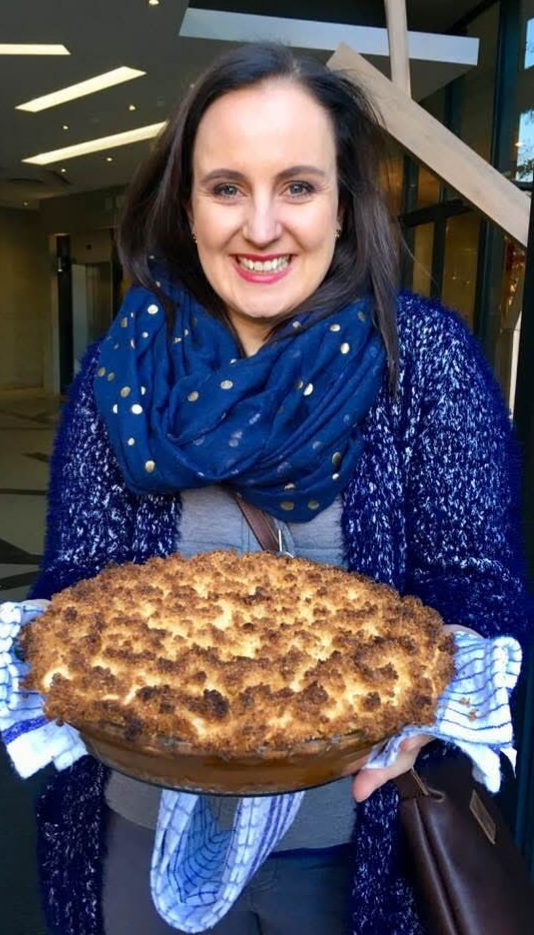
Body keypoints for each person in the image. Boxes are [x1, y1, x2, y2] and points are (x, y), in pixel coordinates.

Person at [27, 41, 530, 935]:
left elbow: (475, 584)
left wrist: (435, 720)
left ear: (344, 203)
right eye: (227, 188)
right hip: (142, 828)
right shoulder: (125, 368)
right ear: (187, 207)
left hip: (348, 844)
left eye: (298, 185)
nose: (262, 226)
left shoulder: (428, 365)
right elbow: (75, 592)